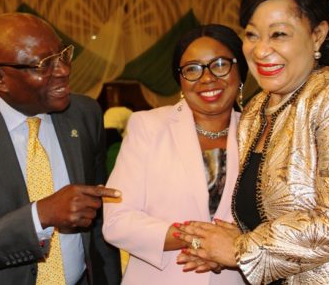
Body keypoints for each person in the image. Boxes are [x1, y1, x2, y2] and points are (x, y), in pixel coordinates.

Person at [175, 0, 329, 284]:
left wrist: (241, 249)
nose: (260, 50)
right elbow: (274, 210)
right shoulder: (256, 111)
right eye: (252, 34)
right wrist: (224, 244)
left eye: (279, 34)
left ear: (318, 34)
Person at [0, 13, 122, 285]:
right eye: (43, 65)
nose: (63, 70)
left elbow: (99, 222)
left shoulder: (84, 114)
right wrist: (41, 215)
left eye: (63, 54)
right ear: (0, 78)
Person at [102, 24, 248, 284]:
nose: (207, 78)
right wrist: (203, 242)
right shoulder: (147, 127)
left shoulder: (263, 132)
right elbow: (117, 222)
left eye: (220, 64)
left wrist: (236, 248)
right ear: (180, 79)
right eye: (192, 69)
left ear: (241, 70)